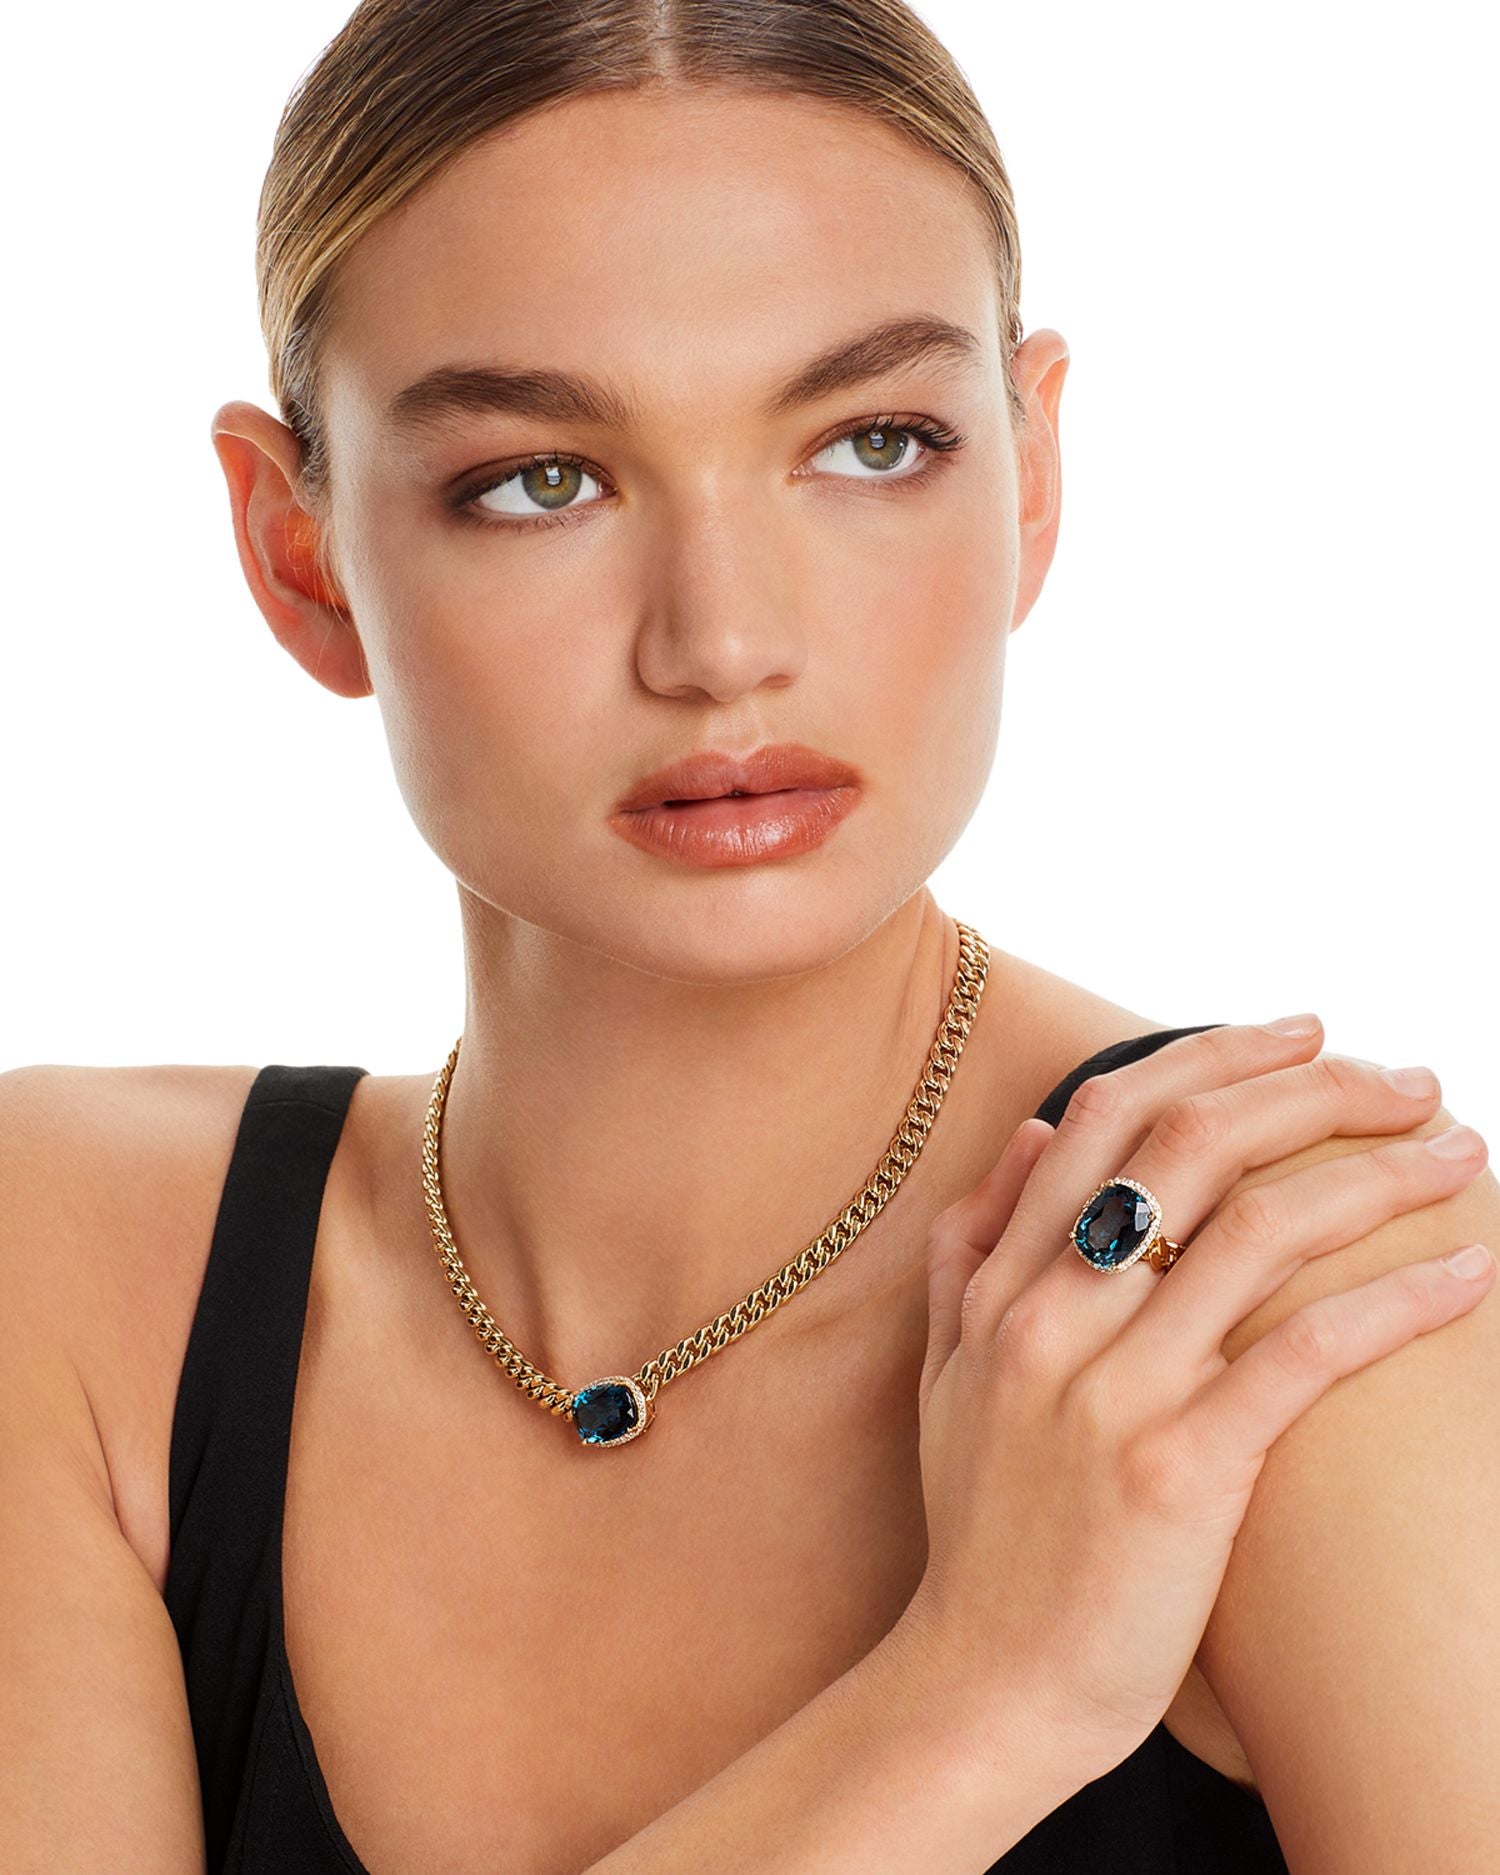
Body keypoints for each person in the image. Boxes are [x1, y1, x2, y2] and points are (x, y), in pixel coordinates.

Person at [3, 2, 1496, 1870]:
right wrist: (988, 1692)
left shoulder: (1275, 1301)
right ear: (299, 557)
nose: (722, 642)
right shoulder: (70, 1275)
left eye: (872, 442)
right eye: (540, 479)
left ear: (1030, 472)